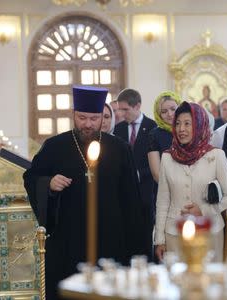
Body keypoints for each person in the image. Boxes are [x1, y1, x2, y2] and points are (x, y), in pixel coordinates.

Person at [23, 86, 150, 300]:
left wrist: (135, 244)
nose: (88, 124)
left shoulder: (120, 148)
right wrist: (49, 184)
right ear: (73, 115)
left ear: (103, 117)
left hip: (112, 238)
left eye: (94, 118)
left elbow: (132, 200)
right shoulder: (55, 146)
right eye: (82, 118)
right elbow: (32, 178)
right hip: (68, 239)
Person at [154, 102, 227, 262]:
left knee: (209, 283)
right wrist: (159, 240)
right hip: (174, 234)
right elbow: (162, 201)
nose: (181, 129)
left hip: (209, 233)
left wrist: (204, 211)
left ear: (199, 125)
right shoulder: (167, 157)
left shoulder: (216, 155)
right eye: (177, 124)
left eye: (187, 123)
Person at [113, 88, 157, 258]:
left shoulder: (152, 127)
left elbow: (157, 163)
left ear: (137, 106)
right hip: (125, 194)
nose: (122, 114)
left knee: (145, 239)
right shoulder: (119, 130)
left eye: (125, 109)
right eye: (120, 109)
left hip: (147, 193)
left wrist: (139, 174)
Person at [148, 91, 182, 183]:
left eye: (173, 109)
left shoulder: (188, 130)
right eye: (164, 111)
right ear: (159, 115)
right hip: (166, 188)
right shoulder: (154, 134)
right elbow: (156, 174)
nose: (170, 114)